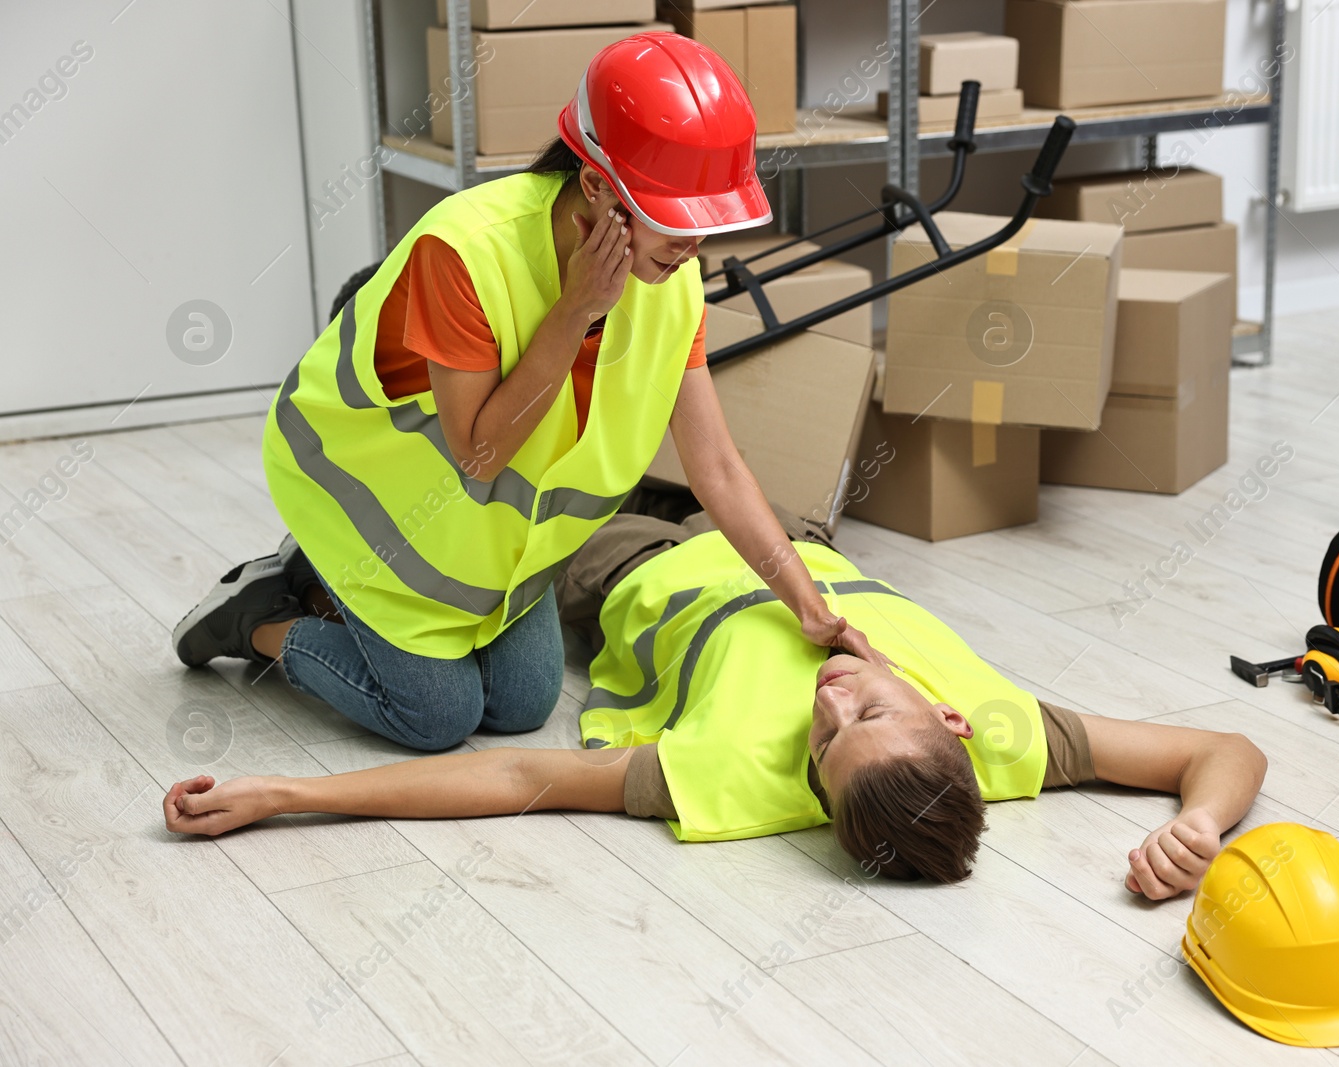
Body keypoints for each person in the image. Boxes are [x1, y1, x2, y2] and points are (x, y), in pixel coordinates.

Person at [169, 33, 889, 751]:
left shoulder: (669, 277)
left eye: (707, 221)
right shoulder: (466, 251)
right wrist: (575, 311)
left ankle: (322, 586)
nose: (692, 246)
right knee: (437, 717)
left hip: (488, 544)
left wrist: (807, 604)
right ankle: (258, 617)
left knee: (521, 704)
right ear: (600, 183)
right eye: (675, 218)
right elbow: (478, 455)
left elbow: (718, 467)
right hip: (366, 500)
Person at [164, 490, 1269, 893]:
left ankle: (296, 589)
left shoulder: (736, 777)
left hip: (635, 558)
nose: (833, 698)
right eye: (868, 710)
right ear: (948, 723)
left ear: (812, 787)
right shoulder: (1013, 737)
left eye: (823, 739)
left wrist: (287, 796)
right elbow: (1215, 748)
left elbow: (514, 771)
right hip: (782, 538)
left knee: (465, 676)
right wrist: (1202, 823)